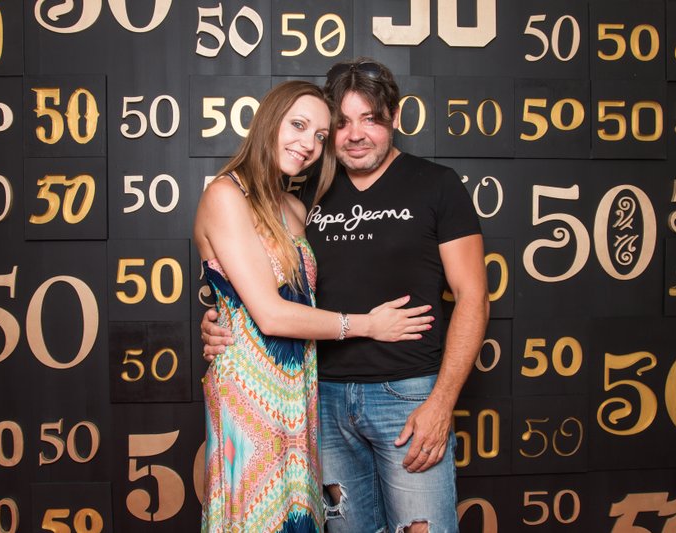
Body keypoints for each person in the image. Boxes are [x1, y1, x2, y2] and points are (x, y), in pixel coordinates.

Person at [202, 62, 489, 533]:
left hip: (407, 395)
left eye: (370, 119)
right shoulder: (307, 189)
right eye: (340, 123)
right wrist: (222, 316)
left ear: (395, 117)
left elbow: (473, 297)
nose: (355, 134)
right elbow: (262, 282)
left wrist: (442, 402)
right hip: (321, 396)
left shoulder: (437, 185)